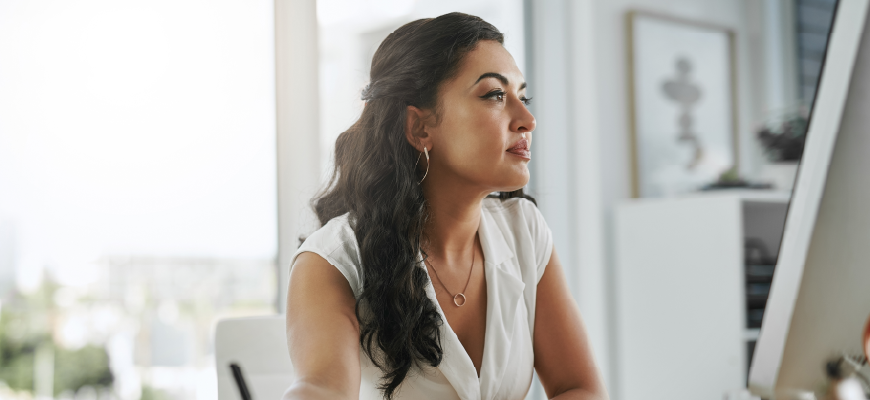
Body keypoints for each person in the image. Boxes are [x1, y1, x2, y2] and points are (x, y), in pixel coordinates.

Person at [283, 12, 608, 400]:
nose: (527, 120)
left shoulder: (524, 229)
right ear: (420, 127)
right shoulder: (332, 261)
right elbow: (322, 387)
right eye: (494, 95)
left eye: (523, 98)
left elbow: (580, 387)